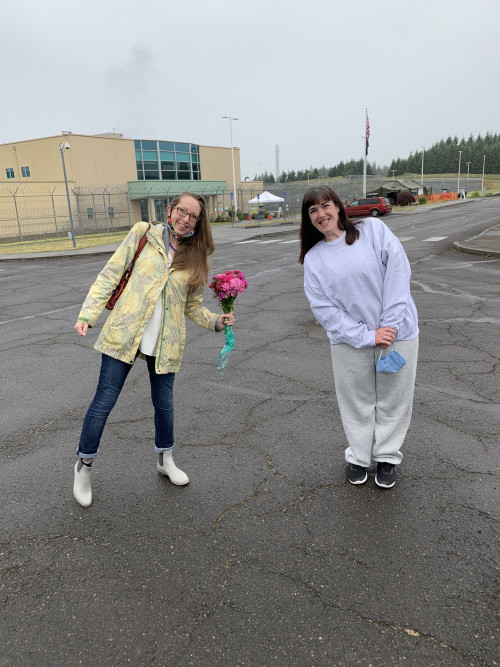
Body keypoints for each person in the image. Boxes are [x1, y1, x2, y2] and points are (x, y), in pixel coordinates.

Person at [73, 192, 234, 507]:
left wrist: (217, 321)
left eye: (193, 215)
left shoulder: (198, 256)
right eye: (181, 211)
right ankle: (84, 467)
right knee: (103, 402)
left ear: (199, 221)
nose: (185, 218)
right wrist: (87, 314)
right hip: (125, 333)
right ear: (171, 209)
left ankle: (165, 460)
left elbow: (193, 306)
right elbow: (110, 275)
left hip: (166, 341)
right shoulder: (143, 233)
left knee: (164, 406)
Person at [299, 186, 419, 488]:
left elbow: (398, 273)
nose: (321, 214)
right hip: (350, 341)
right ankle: (359, 456)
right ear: (308, 218)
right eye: (313, 210)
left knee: (394, 398)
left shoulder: (373, 230)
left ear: (338, 207)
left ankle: (388, 456)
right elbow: (324, 310)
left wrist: (387, 327)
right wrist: (366, 335)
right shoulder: (314, 259)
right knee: (356, 400)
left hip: (397, 333)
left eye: (325, 206)